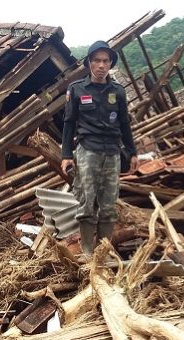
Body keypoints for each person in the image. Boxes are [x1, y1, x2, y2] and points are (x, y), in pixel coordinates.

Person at [60, 40, 138, 254]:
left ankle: (103, 252)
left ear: (111, 63)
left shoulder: (118, 92)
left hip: (112, 153)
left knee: (108, 206)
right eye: (97, 61)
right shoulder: (76, 90)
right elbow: (68, 123)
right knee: (86, 203)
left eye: (106, 61)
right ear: (89, 64)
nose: (102, 65)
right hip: (88, 151)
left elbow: (124, 124)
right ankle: (86, 253)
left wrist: (132, 152)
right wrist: (66, 154)